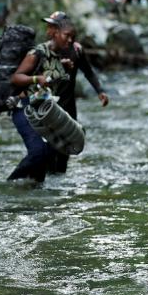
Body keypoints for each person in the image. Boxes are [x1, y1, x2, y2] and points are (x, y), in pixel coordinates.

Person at [8, 17, 74, 182]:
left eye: (73, 37)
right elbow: (15, 78)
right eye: (67, 35)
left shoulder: (59, 57)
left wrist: (63, 68)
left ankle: (33, 194)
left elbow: (52, 79)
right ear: (56, 33)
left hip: (43, 112)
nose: (70, 40)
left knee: (47, 155)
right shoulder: (37, 52)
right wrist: (36, 79)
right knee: (38, 152)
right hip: (24, 108)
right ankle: (8, 185)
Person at [42, 12, 109, 174]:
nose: (48, 29)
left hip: (69, 106)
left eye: (52, 25)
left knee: (65, 148)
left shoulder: (77, 50)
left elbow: (88, 72)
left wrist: (100, 91)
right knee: (48, 148)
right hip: (48, 107)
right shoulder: (44, 50)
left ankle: (59, 182)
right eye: (49, 26)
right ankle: (48, 182)